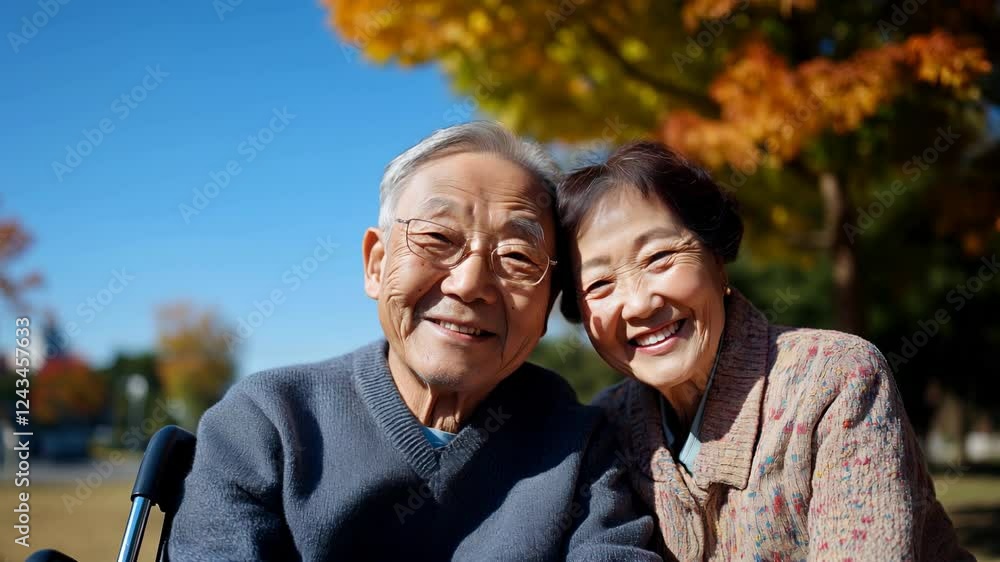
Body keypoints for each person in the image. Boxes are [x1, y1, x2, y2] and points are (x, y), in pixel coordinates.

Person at [167, 122, 660, 561]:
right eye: (438, 239)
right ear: (376, 264)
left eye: (517, 256)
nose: (470, 283)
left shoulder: (580, 445)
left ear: (549, 300)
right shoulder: (267, 422)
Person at [555, 141, 971, 561]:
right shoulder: (605, 427)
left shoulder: (834, 379)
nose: (639, 304)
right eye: (599, 284)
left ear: (717, 260)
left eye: (659, 257)